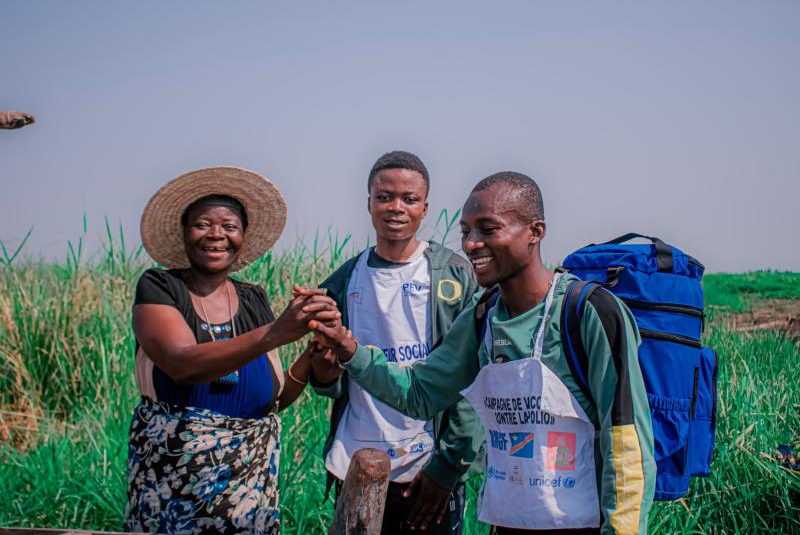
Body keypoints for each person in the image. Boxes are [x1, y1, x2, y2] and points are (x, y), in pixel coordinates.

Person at [309, 171, 656, 535]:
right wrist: (348, 349)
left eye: (488, 230)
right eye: (466, 232)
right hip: (506, 522)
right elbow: (418, 393)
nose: (472, 244)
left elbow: (627, 444)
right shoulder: (483, 315)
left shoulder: (588, 313)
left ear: (535, 232)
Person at [126, 166, 339, 535]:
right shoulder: (161, 287)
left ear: (242, 236)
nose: (216, 235)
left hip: (247, 492)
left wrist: (312, 353)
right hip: (172, 483)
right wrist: (275, 333)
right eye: (203, 224)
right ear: (184, 232)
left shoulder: (253, 298)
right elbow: (181, 365)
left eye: (229, 226)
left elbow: (270, 399)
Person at [309, 151, 484, 535]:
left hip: (429, 467)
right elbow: (331, 382)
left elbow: (473, 380)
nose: (396, 208)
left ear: (425, 208)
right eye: (384, 197)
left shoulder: (455, 276)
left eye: (409, 199)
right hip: (356, 462)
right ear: (368, 203)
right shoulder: (342, 280)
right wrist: (322, 366)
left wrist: (449, 466)